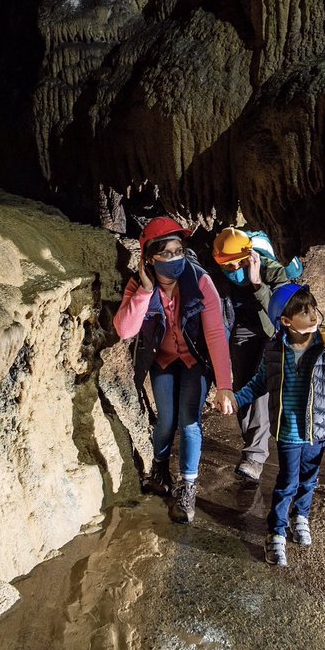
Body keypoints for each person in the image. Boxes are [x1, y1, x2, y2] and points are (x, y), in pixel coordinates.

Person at [113, 217, 234, 523]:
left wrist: (224, 384)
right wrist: (144, 291)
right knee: (166, 420)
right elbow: (125, 330)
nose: (174, 258)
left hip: (195, 359)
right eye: (166, 253)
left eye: (178, 250)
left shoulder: (200, 281)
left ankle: (188, 486)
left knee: (189, 420)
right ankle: (160, 469)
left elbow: (216, 334)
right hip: (164, 360)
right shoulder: (139, 285)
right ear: (149, 258)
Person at [219, 284, 325, 566]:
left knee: (310, 479)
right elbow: (258, 383)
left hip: (319, 429)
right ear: (287, 321)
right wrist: (236, 399)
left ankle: (300, 516)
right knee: (286, 482)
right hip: (288, 430)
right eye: (304, 311)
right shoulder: (274, 350)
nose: (312, 315)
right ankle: (276, 532)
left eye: (313, 309)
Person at [211, 227, 291, 482]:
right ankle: (254, 447)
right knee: (243, 386)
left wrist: (257, 283)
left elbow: (282, 312)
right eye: (226, 266)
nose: (231, 271)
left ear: (248, 257)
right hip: (241, 329)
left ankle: (255, 456)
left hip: (271, 331)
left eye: (235, 266)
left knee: (260, 390)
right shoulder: (219, 270)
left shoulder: (272, 270)